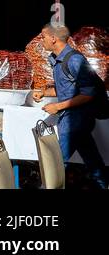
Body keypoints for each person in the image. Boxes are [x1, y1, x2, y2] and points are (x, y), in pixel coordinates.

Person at [37, 23, 109, 188]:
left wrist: (57, 107)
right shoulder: (57, 59)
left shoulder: (75, 60)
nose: (41, 41)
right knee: (92, 160)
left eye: (43, 37)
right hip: (74, 120)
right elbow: (65, 87)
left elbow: (88, 93)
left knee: (55, 163)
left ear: (53, 38)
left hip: (76, 120)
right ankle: (104, 184)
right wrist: (43, 93)